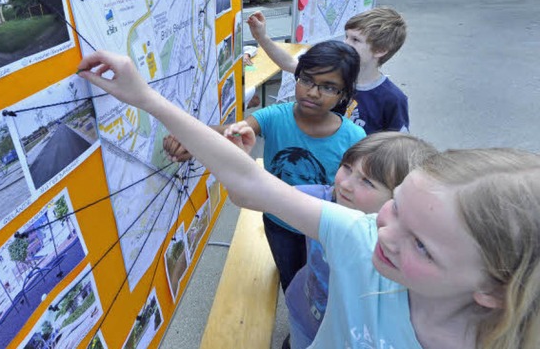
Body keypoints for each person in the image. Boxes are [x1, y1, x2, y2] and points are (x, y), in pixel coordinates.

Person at [78, 51, 540, 349]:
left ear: (495, 290)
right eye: (396, 207)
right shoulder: (361, 236)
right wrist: (147, 100)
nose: (386, 230)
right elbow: (247, 183)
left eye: (422, 245)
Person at [165, 40, 366, 291]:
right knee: (291, 280)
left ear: (344, 94)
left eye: (328, 87)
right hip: (278, 224)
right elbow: (232, 133)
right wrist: (189, 138)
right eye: (306, 80)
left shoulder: (354, 137)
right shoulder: (274, 116)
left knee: (325, 286)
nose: (313, 92)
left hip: (323, 230)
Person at [283, 132, 436, 349]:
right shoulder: (324, 200)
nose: (345, 184)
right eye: (347, 167)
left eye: (367, 181)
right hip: (304, 313)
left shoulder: (395, 248)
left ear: (399, 199)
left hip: (355, 334)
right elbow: (262, 192)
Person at [247, 7, 408, 134]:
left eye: (355, 40)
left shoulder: (393, 99)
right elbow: (289, 63)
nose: (346, 43)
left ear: (380, 50)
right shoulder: (332, 73)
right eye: (347, 36)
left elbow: (398, 147)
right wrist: (261, 37)